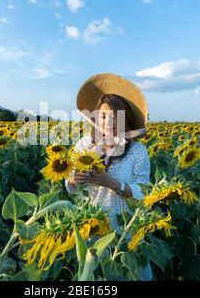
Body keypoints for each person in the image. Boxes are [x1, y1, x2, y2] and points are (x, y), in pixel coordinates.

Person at [65, 73, 153, 281]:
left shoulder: (137, 151)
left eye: (116, 116)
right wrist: (73, 180)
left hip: (125, 231)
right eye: (104, 116)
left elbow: (145, 192)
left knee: (131, 274)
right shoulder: (84, 145)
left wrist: (115, 184)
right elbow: (70, 188)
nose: (109, 121)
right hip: (91, 227)